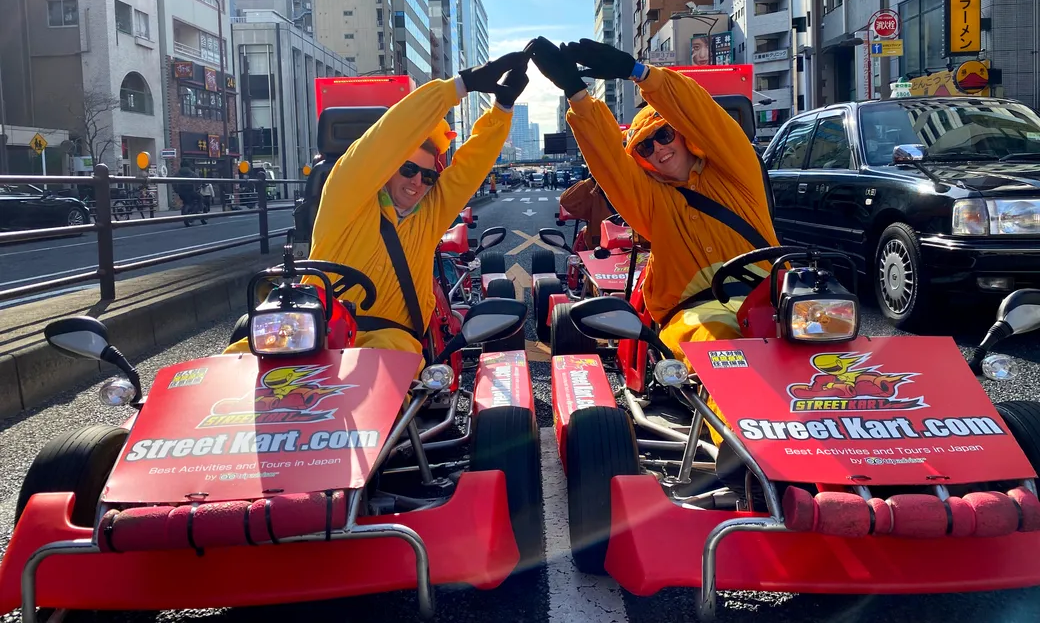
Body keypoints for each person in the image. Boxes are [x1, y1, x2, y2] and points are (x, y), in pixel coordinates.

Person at [527, 37, 777, 435]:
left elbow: (703, 113)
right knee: (720, 346)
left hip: (774, 303)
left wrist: (639, 72)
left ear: (683, 133)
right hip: (698, 312)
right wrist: (577, 94)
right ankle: (750, 453)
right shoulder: (652, 203)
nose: (658, 149)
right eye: (644, 147)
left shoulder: (737, 172)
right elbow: (610, 163)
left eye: (664, 135)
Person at [224, 52, 529, 357]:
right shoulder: (348, 195)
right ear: (388, 167)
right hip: (316, 338)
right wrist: (460, 85)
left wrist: (502, 109)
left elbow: (469, 169)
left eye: (428, 176)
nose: (417, 182)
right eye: (408, 169)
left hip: (393, 349)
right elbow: (384, 140)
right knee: (234, 369)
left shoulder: (432, 213)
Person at [559, 177, 612, 250]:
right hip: (599, 249)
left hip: (626, 246)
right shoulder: (595, 191)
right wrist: (595, 179)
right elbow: (566, 201)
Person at [173, 160, 207, 226]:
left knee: (186, 202)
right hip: (191, 192)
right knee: (200, 197)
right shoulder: (192, 173)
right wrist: (196, 187)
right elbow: (198, 181)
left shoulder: (177, 174)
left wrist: (177, 190)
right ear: (188, 166)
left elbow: (173, 183)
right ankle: (200, 209)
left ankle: (189, 212)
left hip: (182, 193)